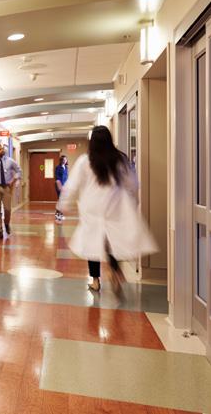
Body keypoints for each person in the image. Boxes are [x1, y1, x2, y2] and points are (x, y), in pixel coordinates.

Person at [56, 126, 157, 295]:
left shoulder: (85, 161)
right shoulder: (120, 159)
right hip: (114, 205)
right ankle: (115, 269)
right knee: (111, 241)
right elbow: (132, 184)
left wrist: (63, 205)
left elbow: (72, 185)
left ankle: (95, 281)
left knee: (92, 244)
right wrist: (132, 201)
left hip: (92, 208)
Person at [0, 143, 22, 240]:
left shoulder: (10, 161)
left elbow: (19, 171)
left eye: (2, 148)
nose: (2, 150)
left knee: (7, 209)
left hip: (7, 187)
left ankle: (6, 223)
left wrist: (13, 179)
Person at [54, 155, 68, 222]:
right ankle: (59, 215)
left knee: (62, 200)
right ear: (61, 160)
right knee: (61, 200)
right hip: (59, 185)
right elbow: (57, 177)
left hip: (64, 186)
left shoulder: (66, 167)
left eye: (66, 159)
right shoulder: (58, 167)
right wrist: (60, 186)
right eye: (64, 160)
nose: (65, 161)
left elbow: (66, 177)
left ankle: (58, 214)